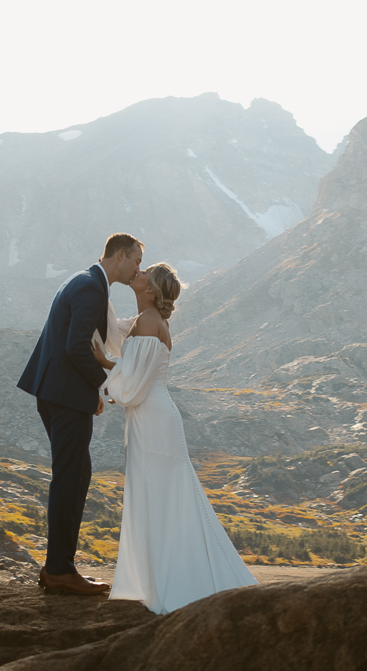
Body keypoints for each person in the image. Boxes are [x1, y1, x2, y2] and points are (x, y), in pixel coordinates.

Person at [100, 262, 259, 614]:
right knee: (164, 496)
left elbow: (135, 384)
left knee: (158, 496)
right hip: (158, 417)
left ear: (151, 290)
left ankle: (169, 583)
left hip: (152, 419)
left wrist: (105, 364)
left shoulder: (148, 322)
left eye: (144, 273)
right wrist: (103, 283)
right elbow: (115, 333)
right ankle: (167, 576)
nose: (137, 274)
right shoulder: (150, 320)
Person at [15, 231, 143, 594]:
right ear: (120, 255)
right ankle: (58, 569)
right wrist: (101, 385)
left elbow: (79, 342)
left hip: (53, 390)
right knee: (71, 478)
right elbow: (75, 346)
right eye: (136, 260)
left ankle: (60, 564)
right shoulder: (91, 287)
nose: (138, 268)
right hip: (66, 395)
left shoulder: (84, 280)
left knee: (76, 474)